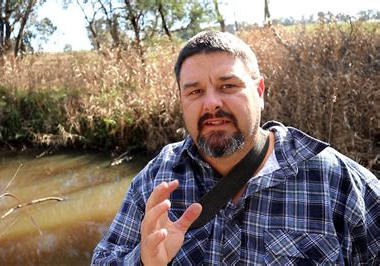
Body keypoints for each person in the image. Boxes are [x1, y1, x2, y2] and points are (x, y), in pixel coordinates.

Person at [91, 31, 379, 265]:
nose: (211, 103)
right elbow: (104, 259)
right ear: (182, 101)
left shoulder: (336, 181)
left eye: (228, 86)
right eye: (195, 91)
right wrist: (144, 260)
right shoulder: (157, 179)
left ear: (259, 91)